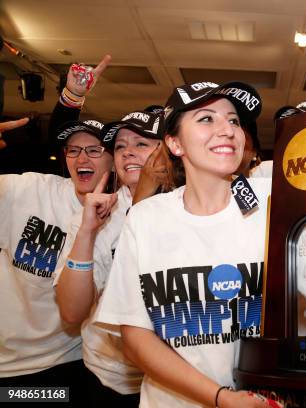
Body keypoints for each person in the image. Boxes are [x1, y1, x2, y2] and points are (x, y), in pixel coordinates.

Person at [94, 81, 280, 407]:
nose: (227, 130)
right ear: (175, 143)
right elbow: (136, 338)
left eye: (234, 120)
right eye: (207, 119)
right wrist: (219, 398)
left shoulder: (274, 205)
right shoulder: (145, 218)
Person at [54, 109, 168, 406]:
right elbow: (71, 312)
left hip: (176, 378)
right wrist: (87, 232)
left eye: (141, 144)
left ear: (168, 150)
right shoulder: (97, 214)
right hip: (109, 378)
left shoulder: (189, 207)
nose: (128, 151)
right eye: (119, 146)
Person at [0, 115, 112, 405]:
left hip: (68, 362)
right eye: (73, 150)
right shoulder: (29, 191)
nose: (81, 157)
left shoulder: (122, 214)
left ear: (112, 158)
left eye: (94, 149)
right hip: (7, 362)